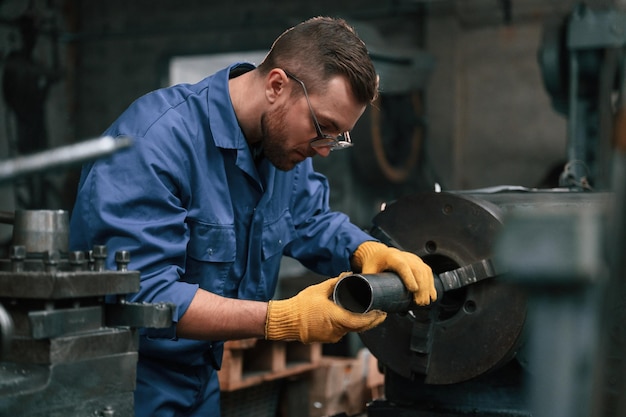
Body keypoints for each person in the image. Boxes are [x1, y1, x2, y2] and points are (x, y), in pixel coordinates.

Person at [69, 16, 437, 417]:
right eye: (322, 128)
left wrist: (367, 250)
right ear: (277, 85)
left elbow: (309, 219)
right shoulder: (152, 144)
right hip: (125, 382)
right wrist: (281, 318)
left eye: (337, 137)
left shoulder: (281, 149)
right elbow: (143, 296)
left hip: (200, 377)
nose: (324, 149)